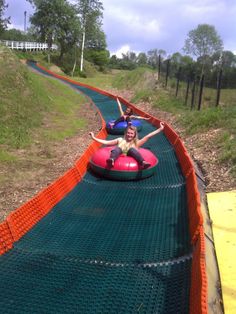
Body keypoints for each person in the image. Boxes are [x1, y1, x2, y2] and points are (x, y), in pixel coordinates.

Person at [89, 122, 165, 169]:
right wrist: (93, 137)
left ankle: (143, 162)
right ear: (126, 133)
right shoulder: (120, 140)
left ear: (134, 135)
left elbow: (148, 136)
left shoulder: (137, 143)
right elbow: (106, 142)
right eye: (128, 133)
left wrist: (160, 129)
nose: (129, 135)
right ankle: (111, 160)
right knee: (117, 149)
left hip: (131, 155)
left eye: (131, 133)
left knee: (132, 150)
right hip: (119, 154)